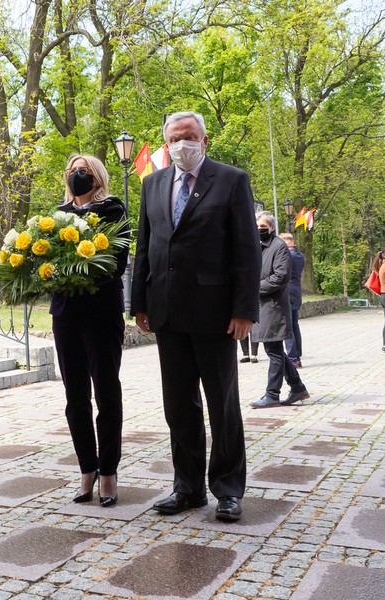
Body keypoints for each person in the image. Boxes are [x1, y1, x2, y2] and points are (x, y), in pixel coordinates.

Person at [131, 111, 260, 522]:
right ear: (166, 143)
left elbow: (246, 250)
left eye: (189, 136)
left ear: (204, 140)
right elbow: (145, 245)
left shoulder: (231, 180)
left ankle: (228, 489)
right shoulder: (152, 184)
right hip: (166, 312)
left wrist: (244, 310)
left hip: (216, 314)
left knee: (223, 406)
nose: (181, 144)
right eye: (174, 138)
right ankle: (187, 488)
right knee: (179, 407)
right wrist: (139, 303)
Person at [50, 154, 129, 507]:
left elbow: (116, 261)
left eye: (83, 171)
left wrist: (77, 270)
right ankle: (87, 468)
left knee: (107, 392)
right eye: (72, 171)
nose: (76, 175)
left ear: (96, 176)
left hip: (101, 311)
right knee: (75, 396)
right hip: (66, 313)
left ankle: (108, 471)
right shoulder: (56, 216)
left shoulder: (112, 210)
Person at [249, 213, 310, 409]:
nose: (259, 229)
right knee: (274, 350)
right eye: (256, 225)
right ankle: (297, 387)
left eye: (262, 226)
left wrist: (254, 288)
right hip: (261, 306)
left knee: (274, 351)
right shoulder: (257, 246)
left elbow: (280, 277)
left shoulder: (279, 247)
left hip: (273, 306)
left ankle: (272, 394)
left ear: (272, 228)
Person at [279, 232, 304, 368]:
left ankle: (292, 358)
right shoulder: (299, 255)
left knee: (288, 327)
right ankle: (297, 356)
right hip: (296, 292)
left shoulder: (287, 255)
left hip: (287, 292)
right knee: (295, 325)